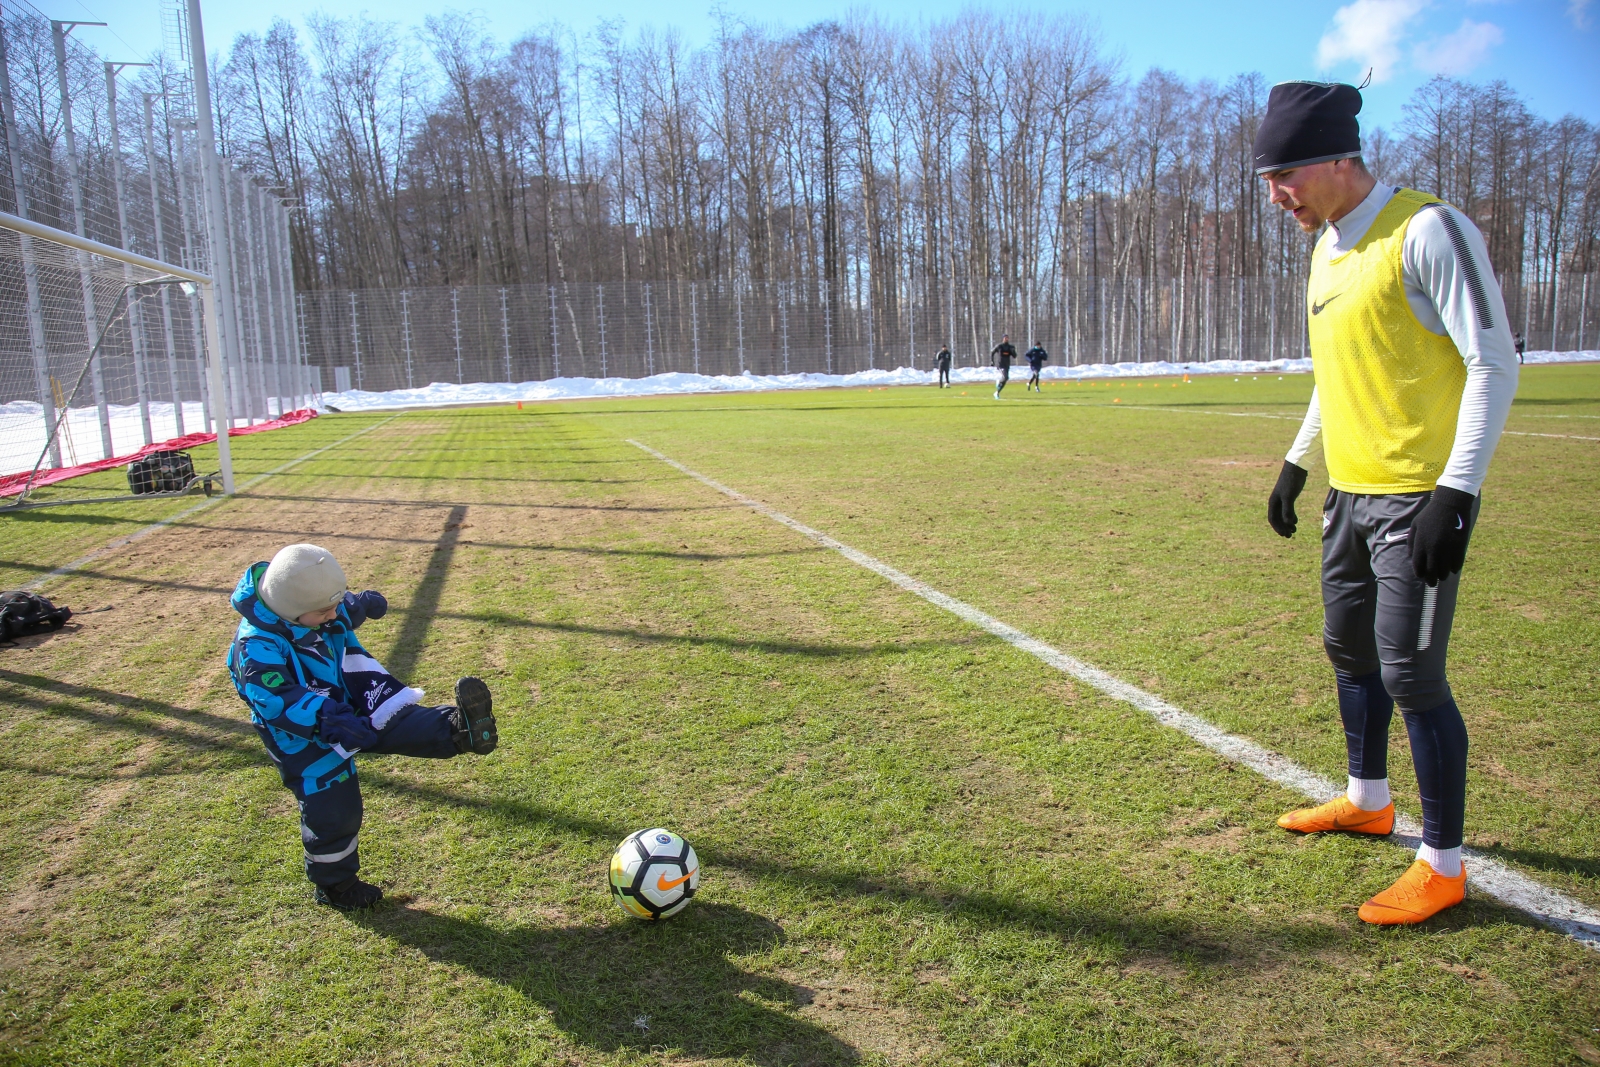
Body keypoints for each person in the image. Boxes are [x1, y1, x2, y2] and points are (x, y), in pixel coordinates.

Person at [1258, 81, 1518, 926]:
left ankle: (1441, 864)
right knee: (1349, 652)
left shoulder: (1428, 229)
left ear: (1339, 155)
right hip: (1351, 495)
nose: (1276, 193)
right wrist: (1297, 464)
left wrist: (1457, 489)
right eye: (1267, 177)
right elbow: (1336, 378)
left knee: (1412, 672)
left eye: (1286, 172)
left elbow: (1493, 361)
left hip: (1417, 501)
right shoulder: (1325, 253)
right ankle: (1367, 799)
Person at [228, 543, 499, 910]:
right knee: (335, 808)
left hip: (344, 692)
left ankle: (456, 729)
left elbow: (333, 604)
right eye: (325, 610)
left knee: (392, 717)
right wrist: (323, 719)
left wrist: (358, 605)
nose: (333, 615)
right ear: (290, 611)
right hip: (301, 735)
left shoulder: (306, 603)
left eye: (336, 605)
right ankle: (335, 885)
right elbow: (274, 700)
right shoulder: (254, 646)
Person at [990, 334, 1016, 399]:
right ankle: (998, 385)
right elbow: (992, 352)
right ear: (1003, 339)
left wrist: (1013, 351)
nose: (1006, 339)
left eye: (1007, 338)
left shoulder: (1010, 347)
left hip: (1007, 365)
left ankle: (997, 392)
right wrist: (992, 361)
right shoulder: (999, 346)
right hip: (1000, 365)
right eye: (1005, 338)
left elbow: (1014, 356)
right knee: (1005, 377)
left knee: (1006, 378)